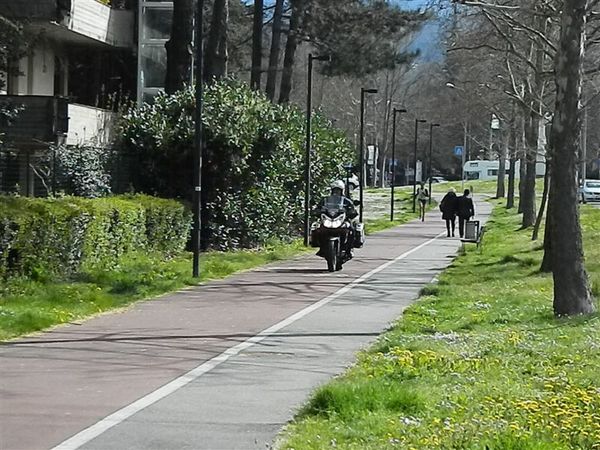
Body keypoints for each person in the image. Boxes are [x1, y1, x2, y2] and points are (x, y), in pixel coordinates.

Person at [314, 180, 358, 257]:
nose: (336, 192)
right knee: (318, 229)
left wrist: (352, 212)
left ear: (342, 191)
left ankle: (349, 249)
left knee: (351, 229)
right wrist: (317, 211)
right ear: (332, 190)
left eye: (338, 190)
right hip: (329, 219)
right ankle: (321, 248)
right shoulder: (325, 200)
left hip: (342, 220)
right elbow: (318, 208)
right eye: (335, 190)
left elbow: (353, 210)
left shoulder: (346, 201)